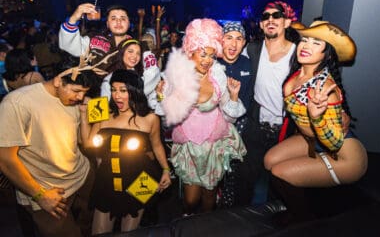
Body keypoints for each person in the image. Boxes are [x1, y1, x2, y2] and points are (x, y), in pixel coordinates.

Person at [264, 20, 368, 223]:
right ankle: (302, 205)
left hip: (344, 156)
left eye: (316, 43)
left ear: (326, 53)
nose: (306, 46)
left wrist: (317, 117)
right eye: (305, 40)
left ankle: (304, 220)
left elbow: (333, 143)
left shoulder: (325, 88)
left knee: (278, 172)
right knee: (269, 160)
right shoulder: (298, 74)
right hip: (311, 140)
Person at [157, 18, 247, 214]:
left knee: (209, 198)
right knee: (190, 200)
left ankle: (206, 228)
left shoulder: (218, 76)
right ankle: (186, 222)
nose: (207, 60)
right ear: (191, 51)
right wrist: (162, 96)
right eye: (203, 54)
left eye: (212, 55)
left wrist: (232, 97)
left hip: (213, 146)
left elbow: (230, 118)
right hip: (189, 147)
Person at [0, 62, 100, 237]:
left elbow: (79, 141)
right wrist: (40, 195)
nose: (80, 97)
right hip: (49, 193)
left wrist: (85, 115)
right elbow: (5, 160)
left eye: (84, 92)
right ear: (58, 80)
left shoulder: (74, 101)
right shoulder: (17, 103)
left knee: (89, 226)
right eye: (76, 91)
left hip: (82, 177)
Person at [80, 69, 171, 234]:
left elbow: (157, 145)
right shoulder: (103, 113)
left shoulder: (150, 118)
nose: (117, 95)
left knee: (129, 233)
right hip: (107, 179)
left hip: (141, 179)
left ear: (134, 91)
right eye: (114, 90)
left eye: (123, 90)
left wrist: (165, 169)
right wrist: (83, 116)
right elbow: (88, 145)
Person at [237, 1, 299, 206]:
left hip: (285, 130)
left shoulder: (298, 54)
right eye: (266, 17)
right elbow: (230, 64)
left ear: (287, 22)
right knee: (244, 179)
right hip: (255, 126)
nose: (270, 19)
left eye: (277, 15)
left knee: (278, 183)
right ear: (261, 25)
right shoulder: (252, 49)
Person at [59, 3, 160, 100]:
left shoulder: (140, 47)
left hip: (125, 103)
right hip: (93, 99)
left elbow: (152, 73)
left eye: (123, 18)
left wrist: (133, 96)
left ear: (129, 23)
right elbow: (69, 46)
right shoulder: (94, 39)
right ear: (107, 24)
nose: (118, 22)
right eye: (113, 18)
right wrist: (73, 19)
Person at [216, 21, 252, 208]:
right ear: (221, 40)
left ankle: (227, 205)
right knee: (214, 166)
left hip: (240, 125)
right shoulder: (211, 62)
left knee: (233, 167)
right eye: (229, 37)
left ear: (244, 43)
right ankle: (212, 197)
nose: (233, 44)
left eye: (239, 39)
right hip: (214, 125)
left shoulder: (249, 64)